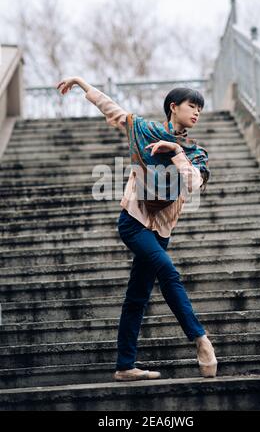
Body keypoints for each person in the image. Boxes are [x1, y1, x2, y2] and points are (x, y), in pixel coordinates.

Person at [56, 76, 218, 382]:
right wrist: (81, 83)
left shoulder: (196, 152)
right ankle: (201, 340)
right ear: (174, 107)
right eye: (192, 106)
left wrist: (176, 150)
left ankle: (124, 366)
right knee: (168, 272)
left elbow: (193, 183)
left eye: (200, 108)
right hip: (133, 222)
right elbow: (114, 110)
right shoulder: (146, 130)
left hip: (161, 231)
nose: (197, 112)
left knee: (136, 297)